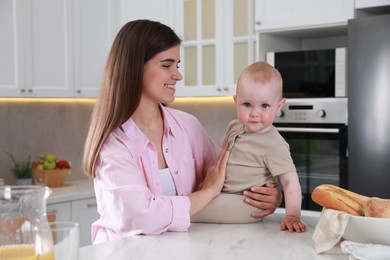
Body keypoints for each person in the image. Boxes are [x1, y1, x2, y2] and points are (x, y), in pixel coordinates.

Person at [82, 20, 282, 244]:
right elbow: (142, 217)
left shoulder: (188, 126)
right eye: (167, 65)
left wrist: (267, 194)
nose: (178, 75)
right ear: (135, 67)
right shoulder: (113, 145)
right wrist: (207, 192)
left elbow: (230, 174)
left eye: (177, 65)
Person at [192, 62, 306, 233]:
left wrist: (292, 215)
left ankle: (168, 214)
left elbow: (290, 182)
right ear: (236, 102)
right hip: (224, 194)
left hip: (245, 202)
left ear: (279, 106)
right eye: (247, 104)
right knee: (192, 204)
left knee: (191, 211)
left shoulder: (274, 144)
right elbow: (222, 162)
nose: (255, 113)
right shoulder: (233, 126)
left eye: (265, 106)